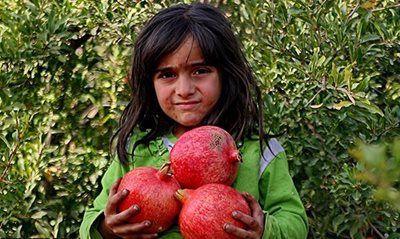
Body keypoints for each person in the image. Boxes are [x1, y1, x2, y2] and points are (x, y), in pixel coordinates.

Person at [80, 3, 308, 239]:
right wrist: (108, 229)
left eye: (200, 70)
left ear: (225, 74)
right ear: (150, 84)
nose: (184, 90)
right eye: (167, 75)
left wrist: (263, 231)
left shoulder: (261, 152)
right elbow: (91, 222)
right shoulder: (135, 150)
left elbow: (295, 223)